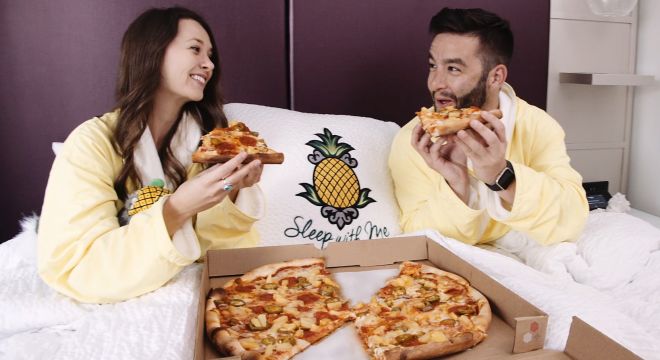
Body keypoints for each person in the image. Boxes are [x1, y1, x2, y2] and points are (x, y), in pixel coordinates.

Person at [37, 7, 265, 303]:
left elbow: (221, 254)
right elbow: (78, 266)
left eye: (210, 55)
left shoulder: (212, 141)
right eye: (195, 49)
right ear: (153, 53)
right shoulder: (91, 143)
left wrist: (233, 193)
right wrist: (176, 210)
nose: (208, 64)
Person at [389, 8, 589, 246]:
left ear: (495, 77)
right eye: (433, 66)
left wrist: (501, 175)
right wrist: (456, 185)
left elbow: (573, 218)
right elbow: (415, 236)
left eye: (453, 69)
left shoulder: (536, 125)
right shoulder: (414, 140)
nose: (435, 82)